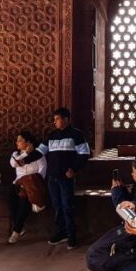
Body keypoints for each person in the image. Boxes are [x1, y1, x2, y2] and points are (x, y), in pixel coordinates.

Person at [38, 107, 90, 249]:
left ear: (66, 119)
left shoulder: (76, 134)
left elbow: (84, 154)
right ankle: (61, 233)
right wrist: (26, 158)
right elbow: (39, 152)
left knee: (67, 206)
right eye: (54, 119)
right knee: (57, 206)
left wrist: (74, 170)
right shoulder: (52, 135)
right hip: (52, 178)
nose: (55, 122)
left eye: (58, 119)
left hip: (66, 178)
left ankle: (72, 236)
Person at [8, 129, 47, 244]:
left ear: (28, 143)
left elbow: (41, 174)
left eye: (20, 141)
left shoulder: (39, 156)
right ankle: (19, 227)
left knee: (24, 200)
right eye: (17, 141)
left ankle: (16, 231)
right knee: (11, 194)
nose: (17, 143)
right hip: (18, 183)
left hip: (32, 185)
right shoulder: (16, 154)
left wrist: (29, 183)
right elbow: (14, 164)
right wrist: (26, 153)